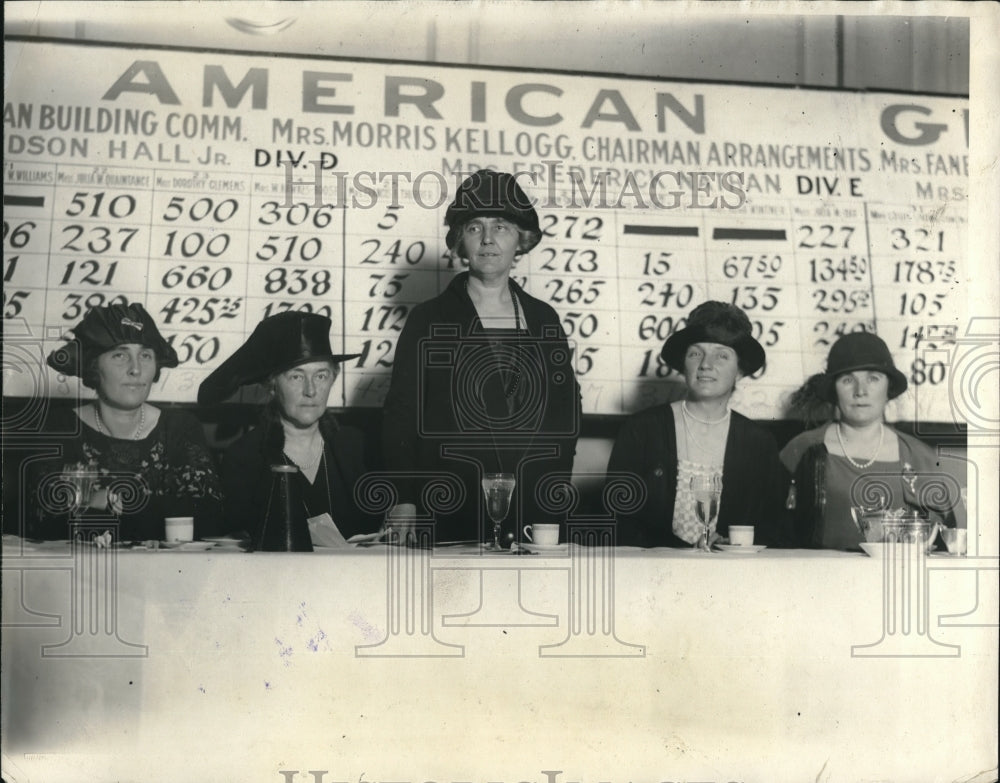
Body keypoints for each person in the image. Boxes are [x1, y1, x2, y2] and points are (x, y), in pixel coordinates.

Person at [382, 169, 581, 544]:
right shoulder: (428, 318)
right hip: (449, 502)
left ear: (520, 240)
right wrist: (404, 499)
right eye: (475, 227)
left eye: (501, 226)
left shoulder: (542, 318)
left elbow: (565, 409)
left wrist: (552, 488)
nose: (488, 239)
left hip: (531, 504)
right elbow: (401, 415)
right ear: (460, 241)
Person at [30, 303, 222, 541]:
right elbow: (42, 520)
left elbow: (206, 515)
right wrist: (156, 510)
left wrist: (96, 500)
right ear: (93, 366)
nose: (136, 369)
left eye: (145, 355)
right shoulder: (60, 427)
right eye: (120, 355)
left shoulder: (180, 427)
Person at [608, 301, 788, 548]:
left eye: (722, 355)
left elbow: (772, 527)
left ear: (740, 370)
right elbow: (619, 520)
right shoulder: (642, 430)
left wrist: (729, 544)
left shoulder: (759, 443)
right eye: (695, 353)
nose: (706, 364)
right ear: (684, 364)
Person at [198, 311, 378, 543]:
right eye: (296, 377)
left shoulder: (356, 446)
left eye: (321, 376)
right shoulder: (245, 456)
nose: (311, 390)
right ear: (272, 385)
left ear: (333, 379)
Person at [780, 332, 964, 549]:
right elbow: (773, 533)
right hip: (821, 578)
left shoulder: (919, 456)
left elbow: (947, 540)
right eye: (848, 380)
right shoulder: (802, 450)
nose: (861, 391)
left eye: (873, 378)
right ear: (833, 390)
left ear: (888, 389)